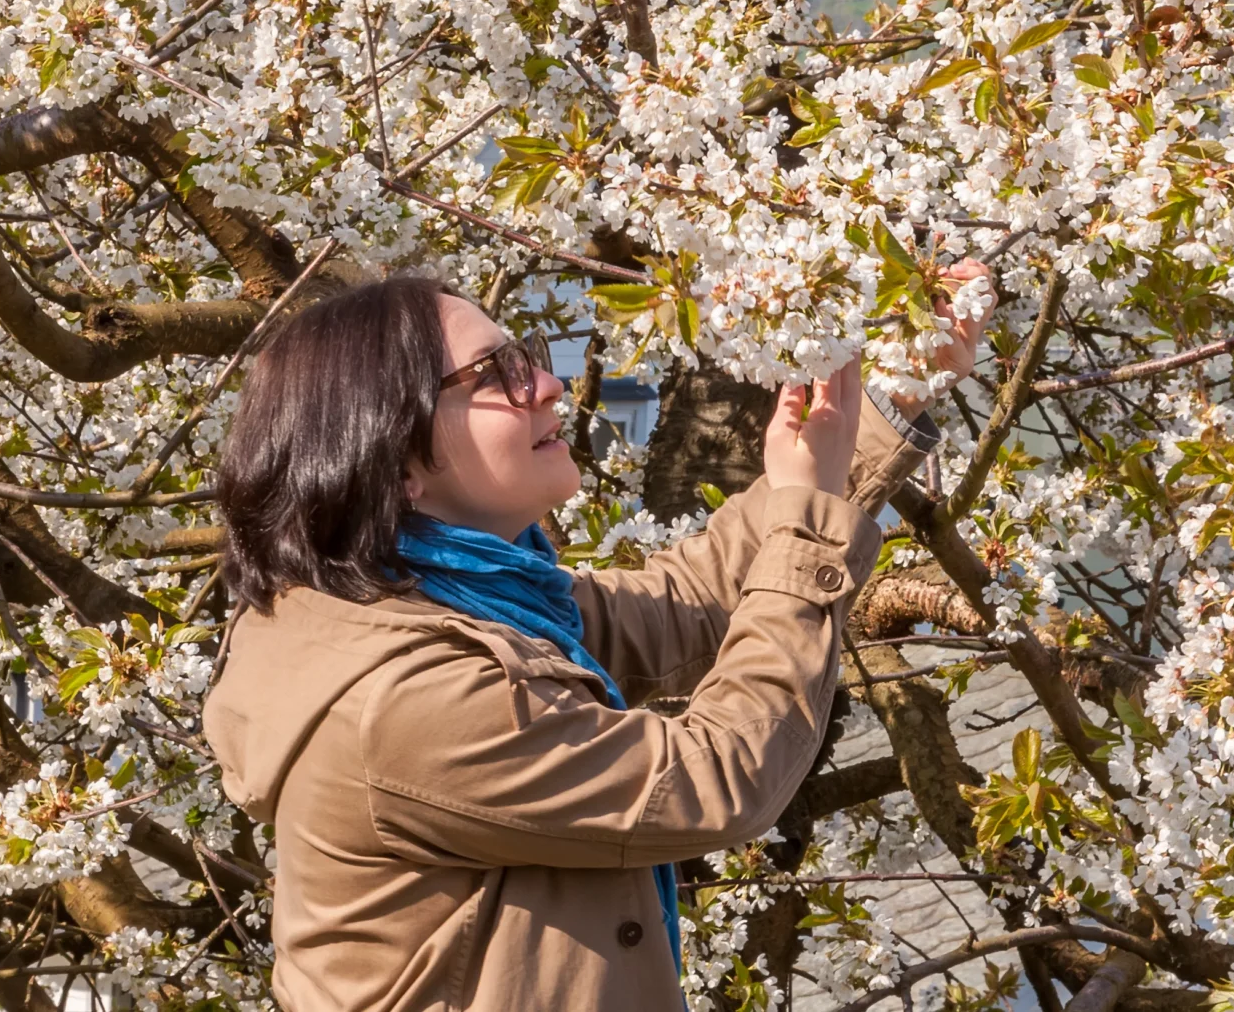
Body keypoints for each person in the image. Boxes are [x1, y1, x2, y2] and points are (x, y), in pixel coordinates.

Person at [204, 271, 985, 1011]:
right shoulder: (404, 695)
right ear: (394, 456)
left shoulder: (447, 605)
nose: (546, 386)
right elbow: (715, 778)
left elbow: (686, 601)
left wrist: (890, 389)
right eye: (497, 375)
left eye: (528, 359)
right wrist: (806, 514)